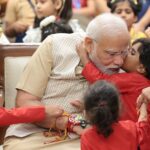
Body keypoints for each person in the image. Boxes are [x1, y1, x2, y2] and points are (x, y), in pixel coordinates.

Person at [3, 13, 130, 150]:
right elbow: (25, 102)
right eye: (111, 54)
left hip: (98, 137)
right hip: (37, 135)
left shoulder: (130, 61)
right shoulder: (56, 45)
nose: (120, 61)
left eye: (124, 52)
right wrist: (70, 122)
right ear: (88, 44)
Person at [77, 38, 150, 150]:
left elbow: (100, 80)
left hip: (131, 134)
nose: (125, 54)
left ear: (140, 67)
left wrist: (84, 58)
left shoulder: (135, 79)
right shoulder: (143, 81)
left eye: (132, 53)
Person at [81, 80, 150, 150]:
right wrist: (143, 105)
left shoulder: (87, 138)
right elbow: (144, 135)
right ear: (119, 107)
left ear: (86, 112)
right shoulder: (130, 128)